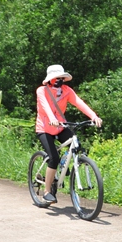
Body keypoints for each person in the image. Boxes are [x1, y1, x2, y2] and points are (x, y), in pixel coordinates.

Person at [35, 64, 102, 204]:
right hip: (44, 128)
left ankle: (63, 166)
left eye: (62, 77)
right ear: (50, 79)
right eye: (56, 78)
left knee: (77, 145)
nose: (59, 80)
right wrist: (52, 119)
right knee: (53, 157)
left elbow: (80, 103)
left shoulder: (66, 91)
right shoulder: (42, 91)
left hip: (60, 126)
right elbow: (45, 107)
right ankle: (47, 191)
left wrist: (93, 116)